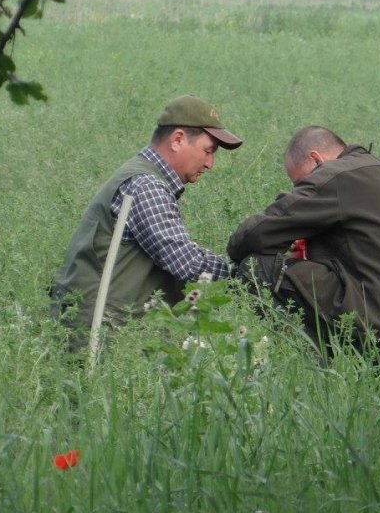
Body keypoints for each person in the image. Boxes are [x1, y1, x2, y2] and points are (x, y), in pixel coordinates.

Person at [228, 126, 380, 355]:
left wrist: (254, 255)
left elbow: (255, 234)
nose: (300, 189)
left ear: (316, 160)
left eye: (300, 184)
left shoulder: (335, 175)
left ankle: (308, 361)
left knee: (256, 267)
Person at [50, 95, 242, 349]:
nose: (210, 164)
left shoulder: (142, 174)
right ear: (177, 140)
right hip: (102, 337)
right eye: (207, 151)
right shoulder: (147, 184)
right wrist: (243, 276)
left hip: (100, 328)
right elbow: (184, 261)